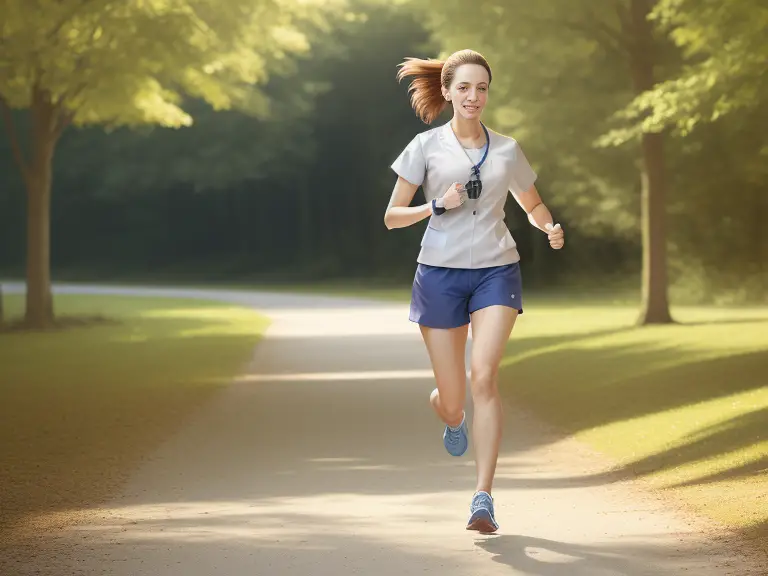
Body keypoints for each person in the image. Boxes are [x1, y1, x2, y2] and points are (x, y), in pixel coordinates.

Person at [383, 49, 565, 534]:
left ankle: (482, 497)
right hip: (438, 273)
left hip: (495, 271)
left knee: (484, 377)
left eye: (481, 87)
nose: (473, 96)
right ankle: (448, 411)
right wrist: (435, 207)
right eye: (464, 87)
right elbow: (391, 216)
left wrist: (549, 225)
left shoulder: (506, 149)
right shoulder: (424, 147)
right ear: (446, 91)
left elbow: (533, 202)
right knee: (455, 396)